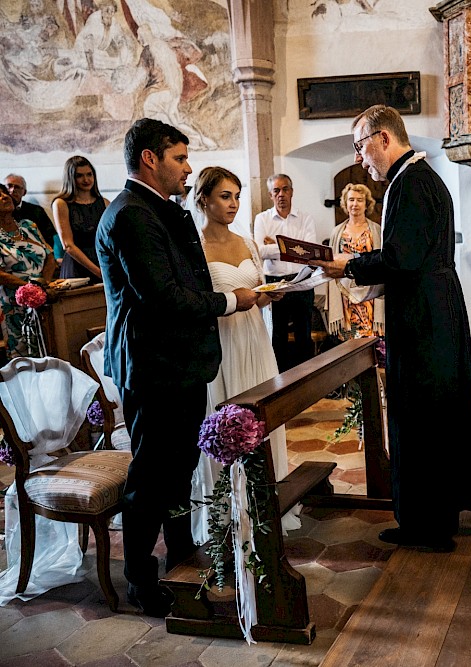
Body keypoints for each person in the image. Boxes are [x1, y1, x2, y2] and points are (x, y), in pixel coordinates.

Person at [96, 118, 257, 617]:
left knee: (179, 466)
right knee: (151, 473)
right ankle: (141, 578)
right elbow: (164, 298)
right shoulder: (130, 216)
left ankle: (182, 553)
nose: (188, 169)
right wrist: (230, 301)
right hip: (153, 364)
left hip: (178, 362)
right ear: (150, 158)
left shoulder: (159, 210)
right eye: (180, 158)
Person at [312, 104, 471, 552]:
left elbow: (399, 260)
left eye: (361, 146)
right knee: (435, 417)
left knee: (420, 417)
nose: (360, 159)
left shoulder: (409, 183)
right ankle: (435, 517)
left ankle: (424, 527)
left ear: (384, 138)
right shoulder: (421, 177)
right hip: (435, 310)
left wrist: (347, 264)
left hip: (423, 320)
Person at [188, 166, 301, 541]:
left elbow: (256, 292)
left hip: (255, 342)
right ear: (203, 199)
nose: (234, 204)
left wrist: (269, 295)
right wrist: (242, 300)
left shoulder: (246, 243)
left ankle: (266, 503)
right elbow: (202, 304)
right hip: (223, 346)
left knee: (264, 421)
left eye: (237, 196)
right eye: (225, 196)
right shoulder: (196, 248)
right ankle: (228, 512)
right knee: (229, 421)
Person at [253, 173, 318, 371]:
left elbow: (309, 252)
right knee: (277, 334)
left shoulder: (305, 218)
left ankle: (306, 378)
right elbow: (259, 251)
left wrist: (275, 246)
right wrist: (292, 248)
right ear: (270, 194)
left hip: (302, 280)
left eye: (285, 189)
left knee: (303, 333)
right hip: (274, 282)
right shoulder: (262, 219)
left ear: (292, 192)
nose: (281, 194)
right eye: (276, 190)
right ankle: (279, 380)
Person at [0, 182, 57, 357]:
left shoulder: (28, 226)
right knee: (23, 358)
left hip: (42, 298)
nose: (4, 197)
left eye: (3, 193)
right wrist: (28, 288)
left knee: (50, 350)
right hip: (14, 305)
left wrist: (42, 285)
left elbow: (49, 254)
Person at [326, 183, 384, 340]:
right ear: (345, 203)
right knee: (348, 341)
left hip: (370, 291)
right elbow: (331, 263)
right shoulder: (337, 231)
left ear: (367, 204)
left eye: (360, 200)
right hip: (345, 293)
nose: (355, 204)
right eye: (351, 199)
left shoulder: (376, 230)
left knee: (371, 340)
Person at [52, 155, 110, 281]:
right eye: (79, 176)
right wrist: (99, 272)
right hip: (77, 265)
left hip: (103, 262)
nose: (86, 179)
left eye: (89, 174)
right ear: (71, 178)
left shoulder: (105, 203)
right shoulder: (61, 203)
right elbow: (68, 245)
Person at [4, 173, 57, 249]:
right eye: (9, 186)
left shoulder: (36, 211)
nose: (12, 190)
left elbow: (51, 236)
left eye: (17, 187)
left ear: (24, 192)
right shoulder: (1, 211)